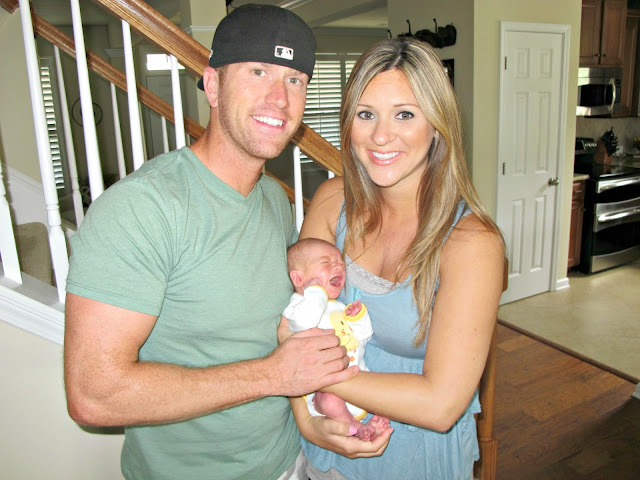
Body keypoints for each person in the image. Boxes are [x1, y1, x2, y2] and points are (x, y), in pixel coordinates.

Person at [63, 5, 390, 480]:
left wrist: (311, 419)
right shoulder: (143, 209)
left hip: (289, 459)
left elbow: (284, 337)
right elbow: (94, 396)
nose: (279, 98)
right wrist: (273, 375)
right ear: (213, 85)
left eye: (295, 79)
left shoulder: (273, 200)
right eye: (258, 72)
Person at [285, 37, 505, 480]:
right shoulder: (331, 202)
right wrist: (308, 421)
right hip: (326, 452)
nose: (381, 136)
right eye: (366, 114)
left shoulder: (471, 243)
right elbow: (292, 328)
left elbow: (440, 405)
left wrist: (320, 375)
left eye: (405, 114)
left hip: (415, 460)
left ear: (438, 124)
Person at [284, 238, 390, 441]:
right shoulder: (297, 306)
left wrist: (358, 319)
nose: (338, 266)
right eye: (326, 262)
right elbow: (304, 323)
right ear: (298, 278)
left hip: (357, 382)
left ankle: (370, 425)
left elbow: (362, 340)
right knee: (331, 402)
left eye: (340, 263)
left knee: (386, 390)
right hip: (322, 393)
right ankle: (357, 428)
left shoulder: (339, 308)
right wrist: (315, 292)